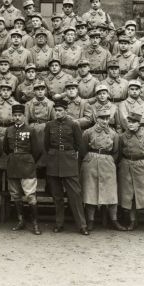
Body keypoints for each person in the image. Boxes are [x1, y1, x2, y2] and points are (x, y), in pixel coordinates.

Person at [44, 98, 89, 235]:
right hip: (53, 161)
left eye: (60, 110)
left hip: (69, 161)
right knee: (57, 196)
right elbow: (46, 145)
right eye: (56, 110)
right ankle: (59, 223)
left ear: (66, 111)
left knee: (75, 195)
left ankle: (82, 225)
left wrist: (70, 155)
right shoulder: (49, 125)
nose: (58, 113)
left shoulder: (73, 125)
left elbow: (80, 146)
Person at [80, 108, 125, 231]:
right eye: (101, 118)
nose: (104, 121)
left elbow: (116, 152)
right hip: (91, 161)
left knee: (111, 192)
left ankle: (114, 220)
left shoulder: (113, 134)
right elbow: (83, 150)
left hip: (107, 162)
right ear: (96, 118)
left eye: (106, 118)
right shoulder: (88, 133)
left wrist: (109, 160)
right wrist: (91, 159)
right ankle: (90, 220)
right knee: (91, 192)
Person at [3, 104, 42, 234]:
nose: (17, 118)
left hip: (27, 166)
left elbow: (37, 150)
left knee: (30, 196)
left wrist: (29, 160)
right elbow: (5, 149)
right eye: (15, 115)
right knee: (15, 195)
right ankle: (21, 221)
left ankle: (35, 224)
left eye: (19, 115)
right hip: (13, 165)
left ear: (24, 116)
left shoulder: (31, 130)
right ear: (12, 116)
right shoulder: (8, 130)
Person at [117, 111, 144, 233]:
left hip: (142, 166)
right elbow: (119, 152)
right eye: (129, 122)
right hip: (127, 166)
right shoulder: (122, 136)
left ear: (139, 124)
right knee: (130, 195)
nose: (130, 124)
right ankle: (133, 221)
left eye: (133, 122)